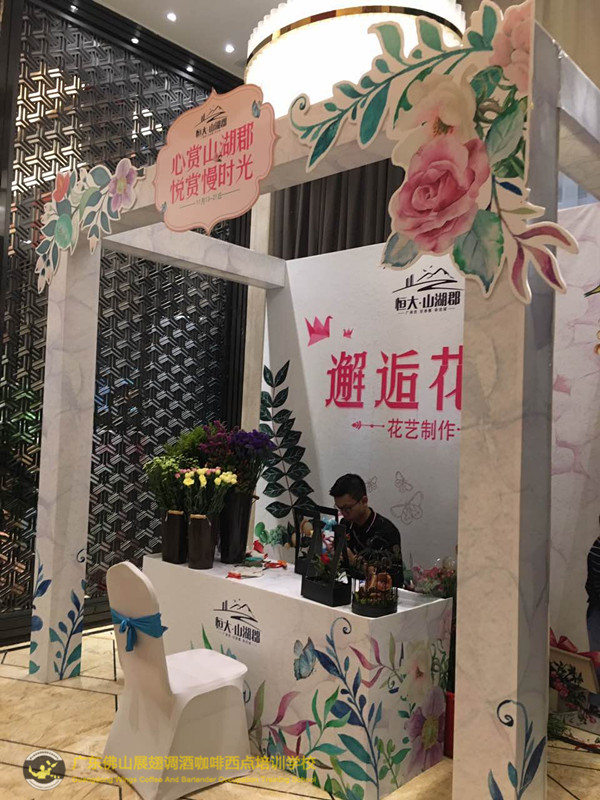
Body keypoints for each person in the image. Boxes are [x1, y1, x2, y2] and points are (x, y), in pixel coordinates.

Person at [329, 473, 403, 581]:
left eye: (348, 508)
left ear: (364, 501)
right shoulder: (345, 524)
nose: (343, 513)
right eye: (339, 508)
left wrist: (355, 562)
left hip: (376, 590)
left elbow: (395, 579)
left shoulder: (387, 531)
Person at [586, 522, 600, 709]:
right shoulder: (597, 551)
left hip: (595, 610)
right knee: (598, 662)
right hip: (597, 611)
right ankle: (595, 706)